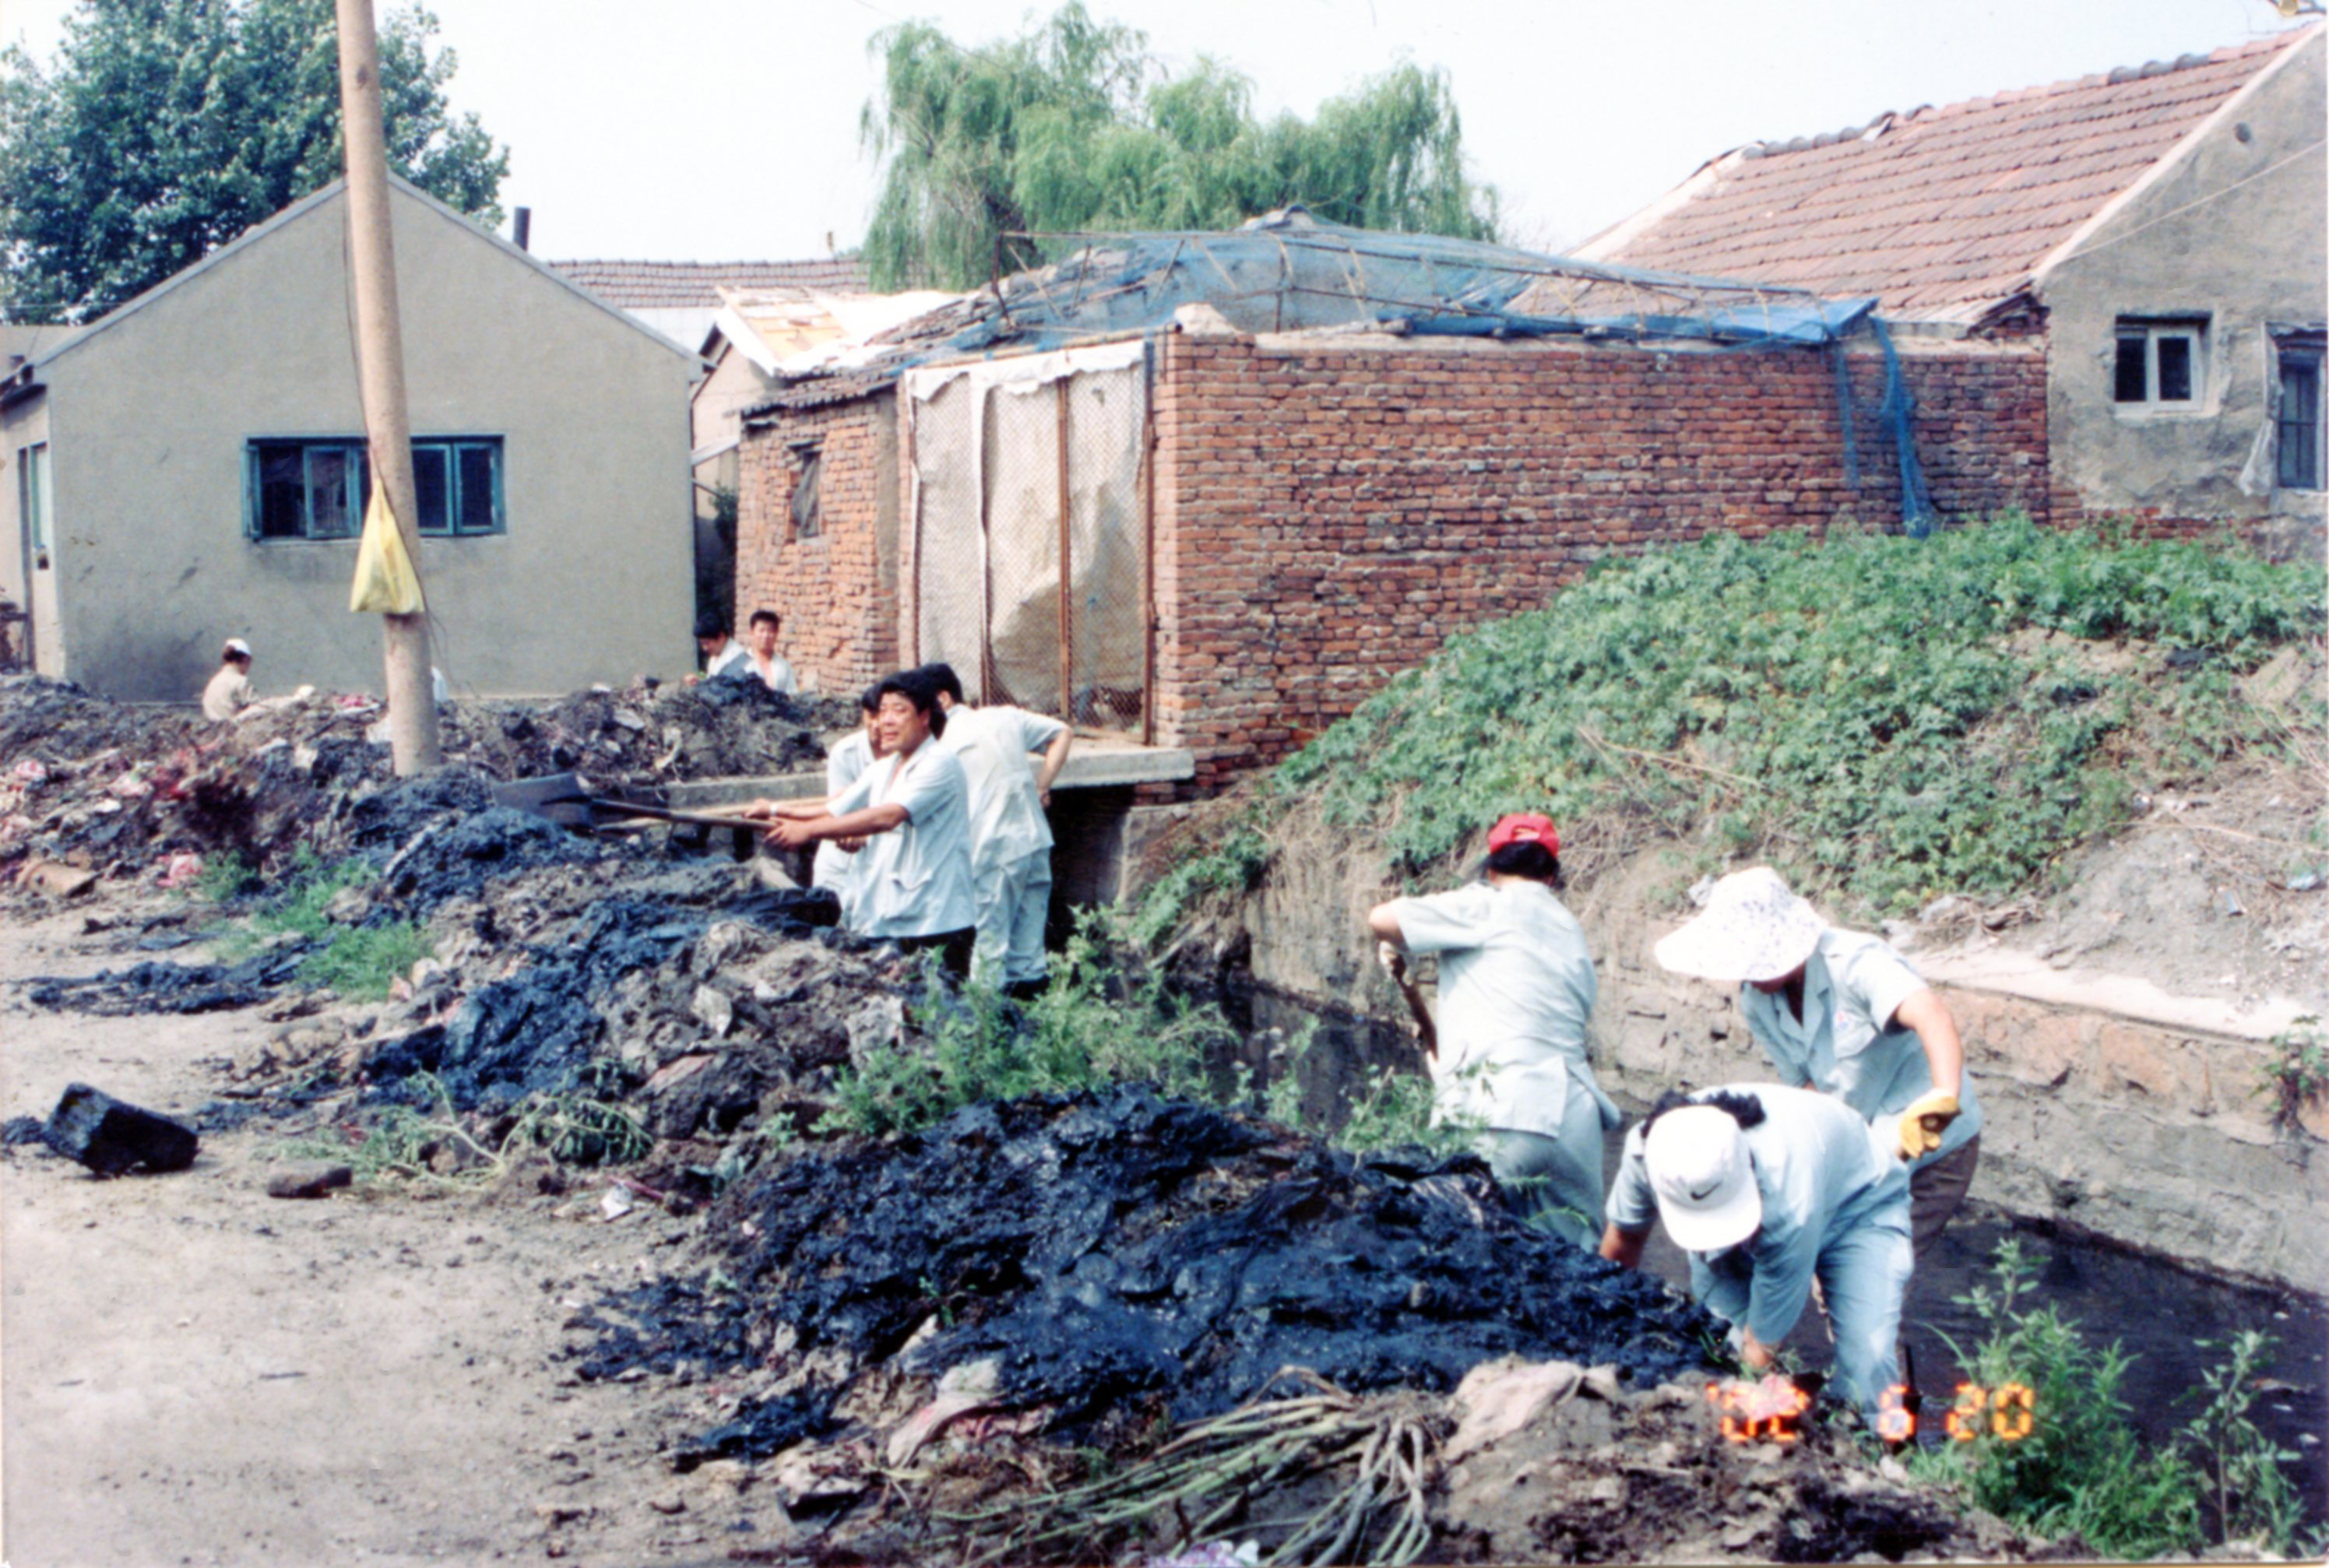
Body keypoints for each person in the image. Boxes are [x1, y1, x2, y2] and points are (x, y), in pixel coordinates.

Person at [1653, 867, 1980, 1257]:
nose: (1746, 973)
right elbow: (1809, 1091)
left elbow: (1932, 1015)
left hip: (1932, 1143)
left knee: (1873, 1262)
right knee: (1821, 1257)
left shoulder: (1855, 962)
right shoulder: (1757, 1001)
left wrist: (1944, 1096)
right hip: (1865, 1141)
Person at [1364, 812, 1619, 1250]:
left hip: (1504, 1112)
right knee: (1582, 1276)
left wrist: (1399, 943)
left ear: (1491, 868)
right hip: (1574, 1120)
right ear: (1553, 878)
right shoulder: (1570, 930)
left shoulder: (1484, 902)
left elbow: (1381, 919)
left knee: (1472, 1258)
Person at [1599, 1084, 1914, 1422]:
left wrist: (1733, 1421)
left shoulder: (1789, 1199)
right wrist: (1601, 1334)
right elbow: (1622, 1245)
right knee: (1718, 1346)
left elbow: (1760, 1348)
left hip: (1860, 1206)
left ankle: (1876, 1449)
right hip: (1776, 1194)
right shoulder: (1651, 1150)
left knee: (1867, 1359)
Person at [755, 669, 977, 978]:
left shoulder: (940, 762)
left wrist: (806, 832)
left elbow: (887, 816)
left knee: (940, 1013)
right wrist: (775, 812)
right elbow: (834, 810)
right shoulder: (886, 767)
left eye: (898, 711)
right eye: (882, 710)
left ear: (925, 716)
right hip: (895, 916)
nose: (886, 720)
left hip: (936, 920)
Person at [919, 663, 1073, 997]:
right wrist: (1042, 786)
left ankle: (988, 1037)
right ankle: (1033, 1032)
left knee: (990, 949)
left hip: (993, 849)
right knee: (1030, 952)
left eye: (923, 707)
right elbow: (1063, 732)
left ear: (943, 700)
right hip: (1034, 842)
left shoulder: (945, 742)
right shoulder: (1005, 716)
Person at [812, 684, 886, 924]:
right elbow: (839, 810)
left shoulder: (903, 752)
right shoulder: (845, 752)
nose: (876, 724)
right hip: (840, 859)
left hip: (880, 861)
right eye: (871, 715)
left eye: (882, 716)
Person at [743, 608, 798, 694]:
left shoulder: (784, 666)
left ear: (776, 634)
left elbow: (792, 696)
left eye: (770, 631)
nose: (766, 636)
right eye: (761, 630)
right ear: (752, 633)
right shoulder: (742, 665)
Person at [202, 638, 256, 720]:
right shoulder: (241, 682)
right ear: (245, 659)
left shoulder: (213, 682)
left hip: (213, 730)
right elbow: (258, 710)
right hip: (234, 730)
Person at [693, 613, 748, 682]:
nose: (705, 648)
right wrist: (698, 676)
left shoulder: (736, 658)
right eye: (702, 644)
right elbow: (711, 677)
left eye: (707, 643)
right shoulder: (716, 654)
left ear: (721, 637)